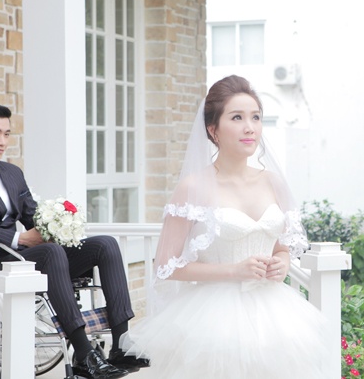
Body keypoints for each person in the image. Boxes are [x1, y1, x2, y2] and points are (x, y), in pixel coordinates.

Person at [120, 75, 330, 378]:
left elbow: (282, 247)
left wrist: (282, 263)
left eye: (255, 117)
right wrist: (234, 271)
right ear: (213, 130)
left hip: (274, 317)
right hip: (213, 320)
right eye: (237, 117)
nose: (250, 127)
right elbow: (165, 266)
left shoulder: (273, 183)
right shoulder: (194, 187)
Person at [0, 101, 149, 379]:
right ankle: (84, 353)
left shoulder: (12, 173)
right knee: (50, 253)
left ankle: (121, 345)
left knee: (105, 244)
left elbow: (33, 216)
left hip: (24, 257)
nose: (2, 142)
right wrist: (19, 237)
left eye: (7, 134)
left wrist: (60, 224)